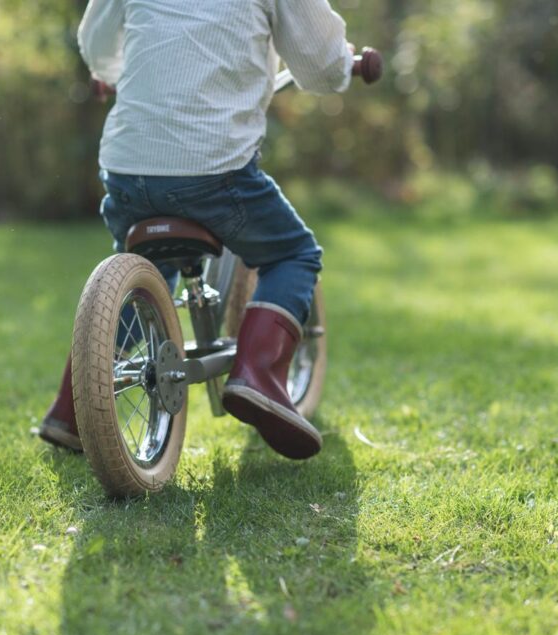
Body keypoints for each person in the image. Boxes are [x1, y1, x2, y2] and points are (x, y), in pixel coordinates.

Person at [39, 0, 356, 460]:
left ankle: (72, 409)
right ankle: (258, 374)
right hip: (215, 168)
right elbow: (322, 65)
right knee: (294, 254)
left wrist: (115, 70)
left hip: (129, 168)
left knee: (145, 268)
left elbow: (97, 44)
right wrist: (345, 62)